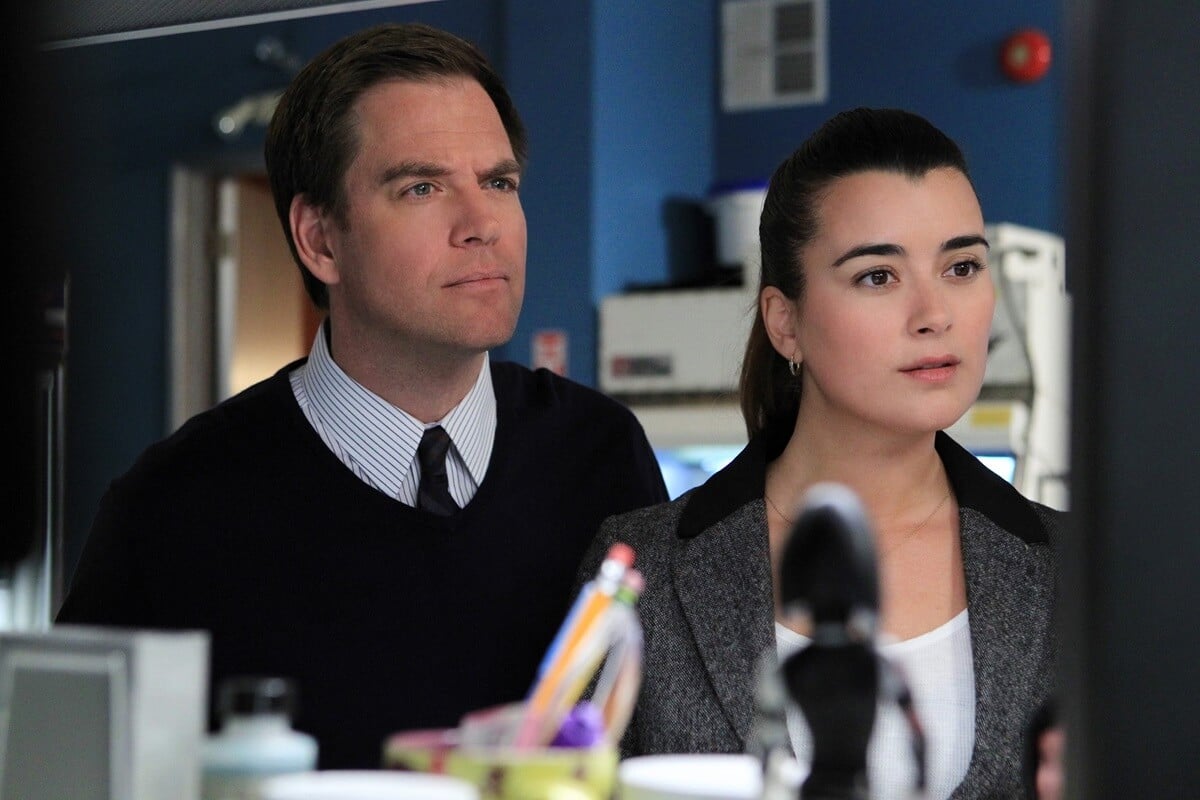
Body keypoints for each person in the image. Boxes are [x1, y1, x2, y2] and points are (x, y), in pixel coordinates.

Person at [57, 22, 667, 769]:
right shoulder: (170, 507)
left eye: (499, 183)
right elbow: (69, 771)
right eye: (422, 187)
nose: (482, 225)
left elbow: (666, 736)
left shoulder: (601, 454)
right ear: (320, 240)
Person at [577, 108, 1064, 799]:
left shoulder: (1078, 574)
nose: (934, 314)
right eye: (878, 276)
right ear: (785, 322)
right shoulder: (641, 571)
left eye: (961, 267)